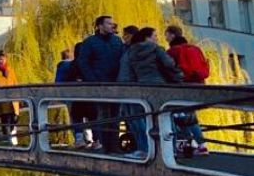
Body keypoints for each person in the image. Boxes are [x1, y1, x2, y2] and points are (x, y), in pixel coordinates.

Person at [118, 26, 182, 155]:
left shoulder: (131, 52)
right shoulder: (156, 49)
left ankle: (145, 148)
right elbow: (169, 64)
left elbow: (128, 72)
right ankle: (171, 148)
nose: (157, 39)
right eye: (155, 36)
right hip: (159, 85)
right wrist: (178, 75)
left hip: (141, 87)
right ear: (147, 38)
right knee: (164, 116)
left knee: (142, 118)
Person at [76, 15, 126, 153]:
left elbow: (123, 60)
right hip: (100, 83)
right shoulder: (90, 42)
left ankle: (115, 146)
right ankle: (105, 145)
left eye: (112, 23)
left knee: (116, 115)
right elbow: (83, 62)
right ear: (99, 26)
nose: (112, 26)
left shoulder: (117, 41)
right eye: (109, 23)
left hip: (116, 83)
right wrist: (92, 80)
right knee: (103, 114)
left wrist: (121, 78)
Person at [165, 24, 210, 155]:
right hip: (199, 85)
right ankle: (196, 144)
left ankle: (198, 145)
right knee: (187, 115)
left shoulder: (173, 51)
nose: (166, 38)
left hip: (183, 86)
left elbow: (169, 70)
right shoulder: (195, 48)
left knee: (180, 116)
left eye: (166, 35)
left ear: (172, 35)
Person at [0, 51, 20, 143]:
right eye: (0, 59)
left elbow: (15, 83)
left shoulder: (10, 69)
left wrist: (19, 97)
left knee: (14, 121)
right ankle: (8, 140)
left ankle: (11, 139)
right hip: (2, 101)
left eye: (3, 58)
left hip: (13, 101)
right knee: (5, 121)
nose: (2, 60)